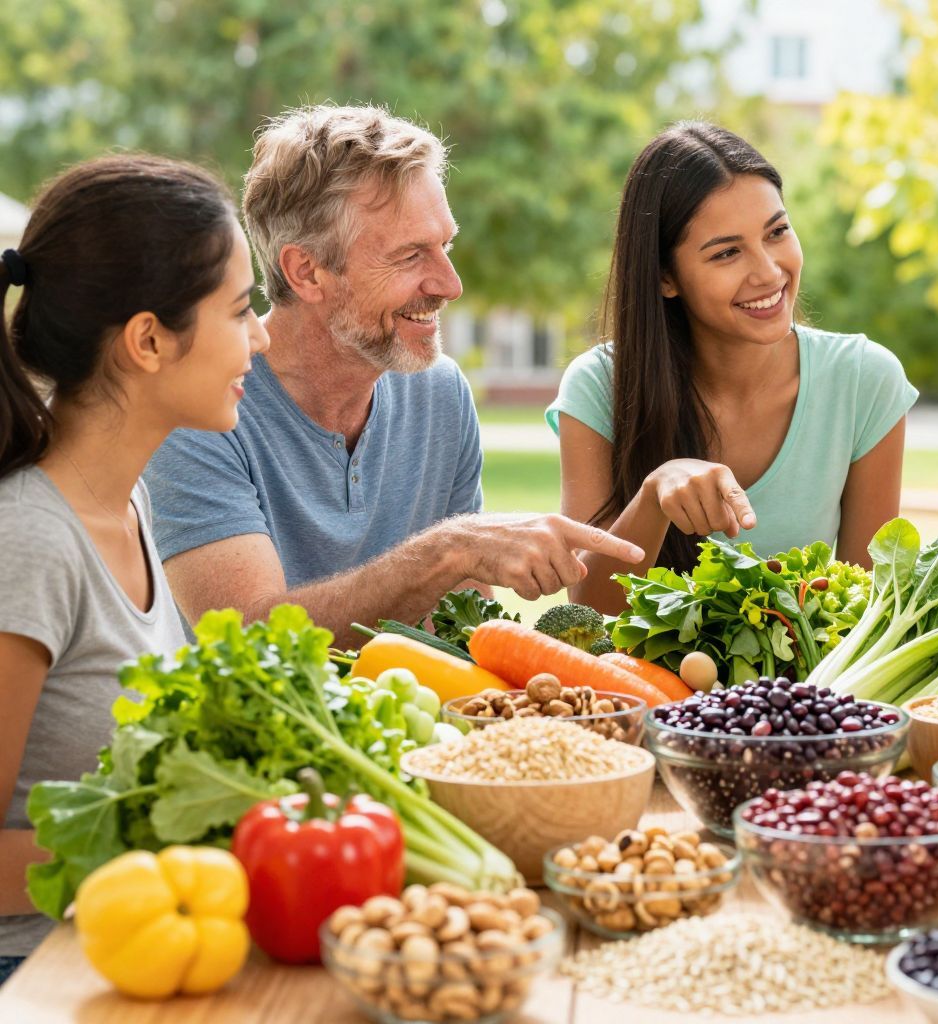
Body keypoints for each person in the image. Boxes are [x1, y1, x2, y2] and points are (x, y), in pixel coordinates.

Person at [144, 106, 642, 639]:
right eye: (410, 256)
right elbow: (248, 635)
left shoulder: (440, 392)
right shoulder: (198, 410)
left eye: (444, 246)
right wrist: (451, 550)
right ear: (306, 271)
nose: (450, 285)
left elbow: (459, 629)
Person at [0, 155, 269, 970]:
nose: (260, 335)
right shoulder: (31, 541)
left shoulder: (128, 498)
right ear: (148, 340)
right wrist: (195, 837)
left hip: (134, 947)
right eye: (241, 309)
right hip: (37, 976)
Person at [549, 122, 916, 614]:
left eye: (777, 232)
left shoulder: (863, 381)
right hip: (644, 689)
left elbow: (865, 608)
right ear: (664, 277)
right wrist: (654, 497)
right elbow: (589, 613)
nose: (768, 272)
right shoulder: (599, 387)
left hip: (802, 688)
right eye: (726, 252)